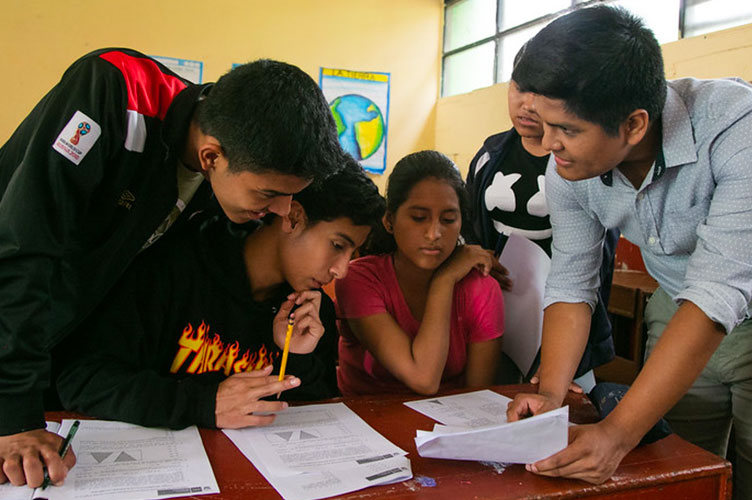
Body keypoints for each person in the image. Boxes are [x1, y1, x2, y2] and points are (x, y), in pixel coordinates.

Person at [0, 48, 343, 487]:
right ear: (212, 156)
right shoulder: (115, 96)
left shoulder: (220, 183)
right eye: (269, 193)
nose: (280, 210)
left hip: (51, 351)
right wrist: (19, 415)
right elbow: (19, 253)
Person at [505, 6, 752, 497]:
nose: (550, 144)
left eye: (567, 130)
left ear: (634, 124)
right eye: (545, 124)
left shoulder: (736, 130)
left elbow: (717, 291)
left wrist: (616, 434)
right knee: (682, 467)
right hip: (682, 310)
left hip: (715, 304)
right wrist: (551, 396)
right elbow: (573, 282)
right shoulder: (566, 167)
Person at [52, 158, 384, 429]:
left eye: (352, 253)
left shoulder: (312, 310)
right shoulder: (173, 267)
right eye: (337, 246)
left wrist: (294, 356)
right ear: (293, 217)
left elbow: (312, 421)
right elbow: (84, 379)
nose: (341, 270)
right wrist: (204, 404)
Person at [465, 52, 619, 391]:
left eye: (540, 95)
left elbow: (600, 254)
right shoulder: (491, 154)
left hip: (566, 303)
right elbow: (466, 227)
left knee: (567, 397)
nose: (527, 105)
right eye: (519, 89)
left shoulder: (582, 160)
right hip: (500, 302)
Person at [335, 151, 505, 396]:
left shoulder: (481, 288)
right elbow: (423, 379)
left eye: (448, 220)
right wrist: (444, 281)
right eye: (418, 218)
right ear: (389, 220)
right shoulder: (359, 280)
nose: (434, 233)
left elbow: (476, 399)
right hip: (363, 422)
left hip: (447, 424)